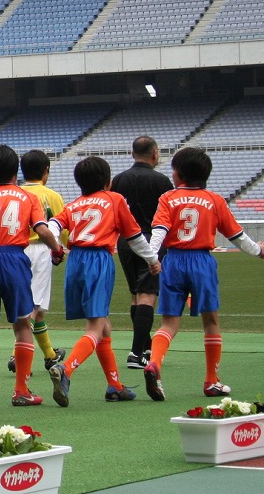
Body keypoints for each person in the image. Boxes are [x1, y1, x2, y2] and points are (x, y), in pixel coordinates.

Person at [143, 147, 264, 402]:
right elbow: (237, 236)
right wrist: (257, 251)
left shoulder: (168, 198)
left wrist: (152, 258)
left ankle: (154, 364)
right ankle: (211, 381)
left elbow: (159, 232)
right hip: (202, 261)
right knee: (211, 322)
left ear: (179, 173)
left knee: (168, 323)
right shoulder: (215, 200)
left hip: (173, 260)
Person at [46, 156, 160, 407]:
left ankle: (115, 386)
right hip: (98, 260)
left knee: (104, 326)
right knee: (96, 326)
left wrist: (55, 246)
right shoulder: (115, 199)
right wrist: (152, 260)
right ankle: (66, 369)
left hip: (75, 261)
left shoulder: (75, 205)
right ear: (108, 181)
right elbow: (135, 237)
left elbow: (53, 224)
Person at [0, 145, 64, 407]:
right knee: (23, 324)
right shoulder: (26, 197)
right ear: (15, 173)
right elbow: (43, 229)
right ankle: (21, 390)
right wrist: (57, 250)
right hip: (14, 257)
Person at [110, 136, 173, 369]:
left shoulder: (118, 180)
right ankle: (137, 353)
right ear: (155, 153)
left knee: (136, 294)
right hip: (151, 240)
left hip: (125, 242)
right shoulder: (162, 181)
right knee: (147, 294)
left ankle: (145, 346)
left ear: (132, 153)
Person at [17, 150, 66, 373]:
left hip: (17, 249)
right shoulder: (51, 195)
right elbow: (61, 224)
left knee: (37, 307)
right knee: (34, 306)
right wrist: (61, 248)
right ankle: (16, 351)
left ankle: (49, 354)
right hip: (40, 249)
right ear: (46, 171)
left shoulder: (17, 192)